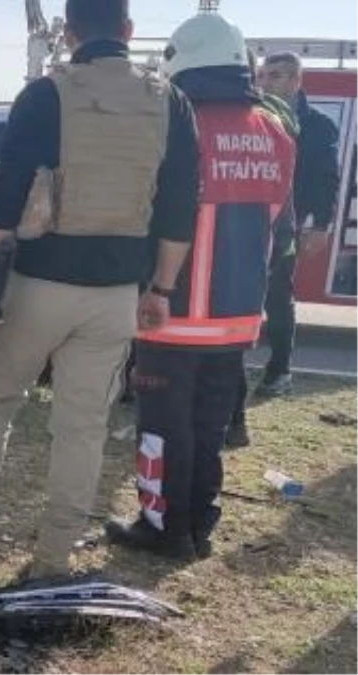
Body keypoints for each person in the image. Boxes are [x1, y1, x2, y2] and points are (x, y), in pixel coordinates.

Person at [0, 0, 200, 579]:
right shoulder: (169, 102)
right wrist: (162, 289)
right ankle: (52, 559)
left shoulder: (45, 95)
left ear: (69, 35)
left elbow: (4, 198)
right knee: (82, 426)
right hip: (117, 292)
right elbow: (179, 208)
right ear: (127, 31)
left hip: (35, 284)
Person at [105, 12, 297, 561]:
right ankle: (200, 524)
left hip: (173, 309)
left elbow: (148, 213)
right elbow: (280, 225)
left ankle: (162, 527)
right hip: (238, 313)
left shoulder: (174, 124)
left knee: (163, 427)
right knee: (209, 426)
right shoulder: (275, 129)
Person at [226, 50, 339, 447]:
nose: (264, 82)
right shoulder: (256, 119)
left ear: (295, 80)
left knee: (278, 297)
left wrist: (319, 226)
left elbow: (327, 179)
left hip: (287, 226)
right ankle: (235, 369)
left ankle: (279, 370)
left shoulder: (317, 126)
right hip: (253, 224)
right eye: (261, 75)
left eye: (274, 76)